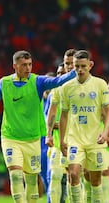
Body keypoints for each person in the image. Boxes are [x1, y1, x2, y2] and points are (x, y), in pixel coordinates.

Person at [0, 50, 76, 203]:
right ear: (15, 66)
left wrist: (77, 70)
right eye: (24, 65)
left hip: (33, 140)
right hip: (10, 138)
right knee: (16, 176)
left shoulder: (38, 82)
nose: (28, 68)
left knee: (31, 181)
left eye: (30, 64)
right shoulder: (4, 83)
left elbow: (58, 81)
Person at [59, 50, 109, 203]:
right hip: (75, 139)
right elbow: (63, 115)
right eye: (76, 66)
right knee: (74, 174)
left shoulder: (100, 84)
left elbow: (108, 110)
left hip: (95, 139)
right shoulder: (66, 87)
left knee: (95, 181)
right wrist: (62, 140)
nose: (80, 70)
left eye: (83, 66)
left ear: (90, 65)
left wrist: (105, 132)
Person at [46, 48, 77, 203]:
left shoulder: (88, 86)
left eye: (72, 63)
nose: (69, 67)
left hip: (80, 141)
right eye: (67, 63)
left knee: (76, 178)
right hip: (59, 143)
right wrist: (49, 133)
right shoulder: (57, 90)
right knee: (55, 176)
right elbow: (50, 114)